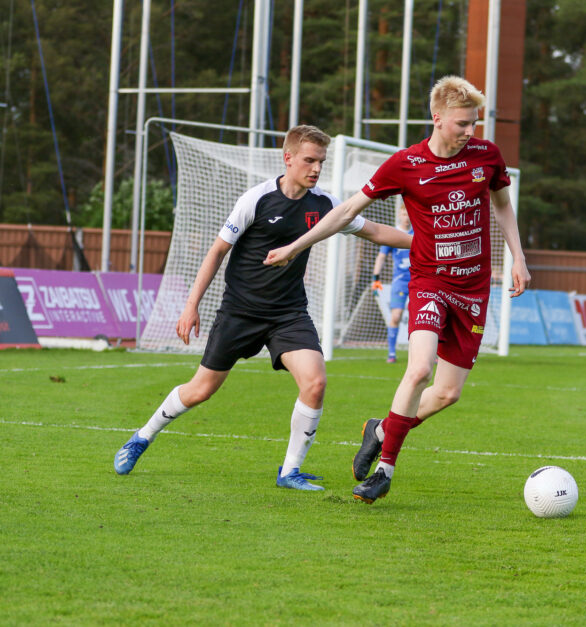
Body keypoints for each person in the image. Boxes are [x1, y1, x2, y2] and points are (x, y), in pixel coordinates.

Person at [264, 76, 530, 503]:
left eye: (474, 123)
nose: (470, 131)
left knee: (447, 393)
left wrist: (518, 257)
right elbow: (347, 211)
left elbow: (502, 205)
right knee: (419, 370)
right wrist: (295, 246)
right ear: (437, 118)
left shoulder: (487, 156)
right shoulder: (406, 164)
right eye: (462, 123)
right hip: (430, 282)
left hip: (474, 288)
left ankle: (381, 430)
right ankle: (384, 470)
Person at [113, 125, 412, 490]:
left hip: (288, 314)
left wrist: (425, 244)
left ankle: (290, 472)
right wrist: (191, 305)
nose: (317, 168)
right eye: (310, 160)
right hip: (239, 312)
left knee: (315, 382)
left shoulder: (325, 204)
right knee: (200, 390)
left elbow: (375, 231)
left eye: (321, 161)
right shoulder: (256, 199)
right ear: (288, 158)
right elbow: (217, 251)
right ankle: (142, 436)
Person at [371, 206, 413, 363]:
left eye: (408, 214)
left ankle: (431, 353)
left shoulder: (418, 232)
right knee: (396, 316)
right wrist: (376, 279)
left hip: (420, 281)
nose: (406, 217)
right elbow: (381, 257)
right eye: (404, 214)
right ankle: (391, 352)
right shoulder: (393, 234)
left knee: (425, 318)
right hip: (400, 282)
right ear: (399, 215)